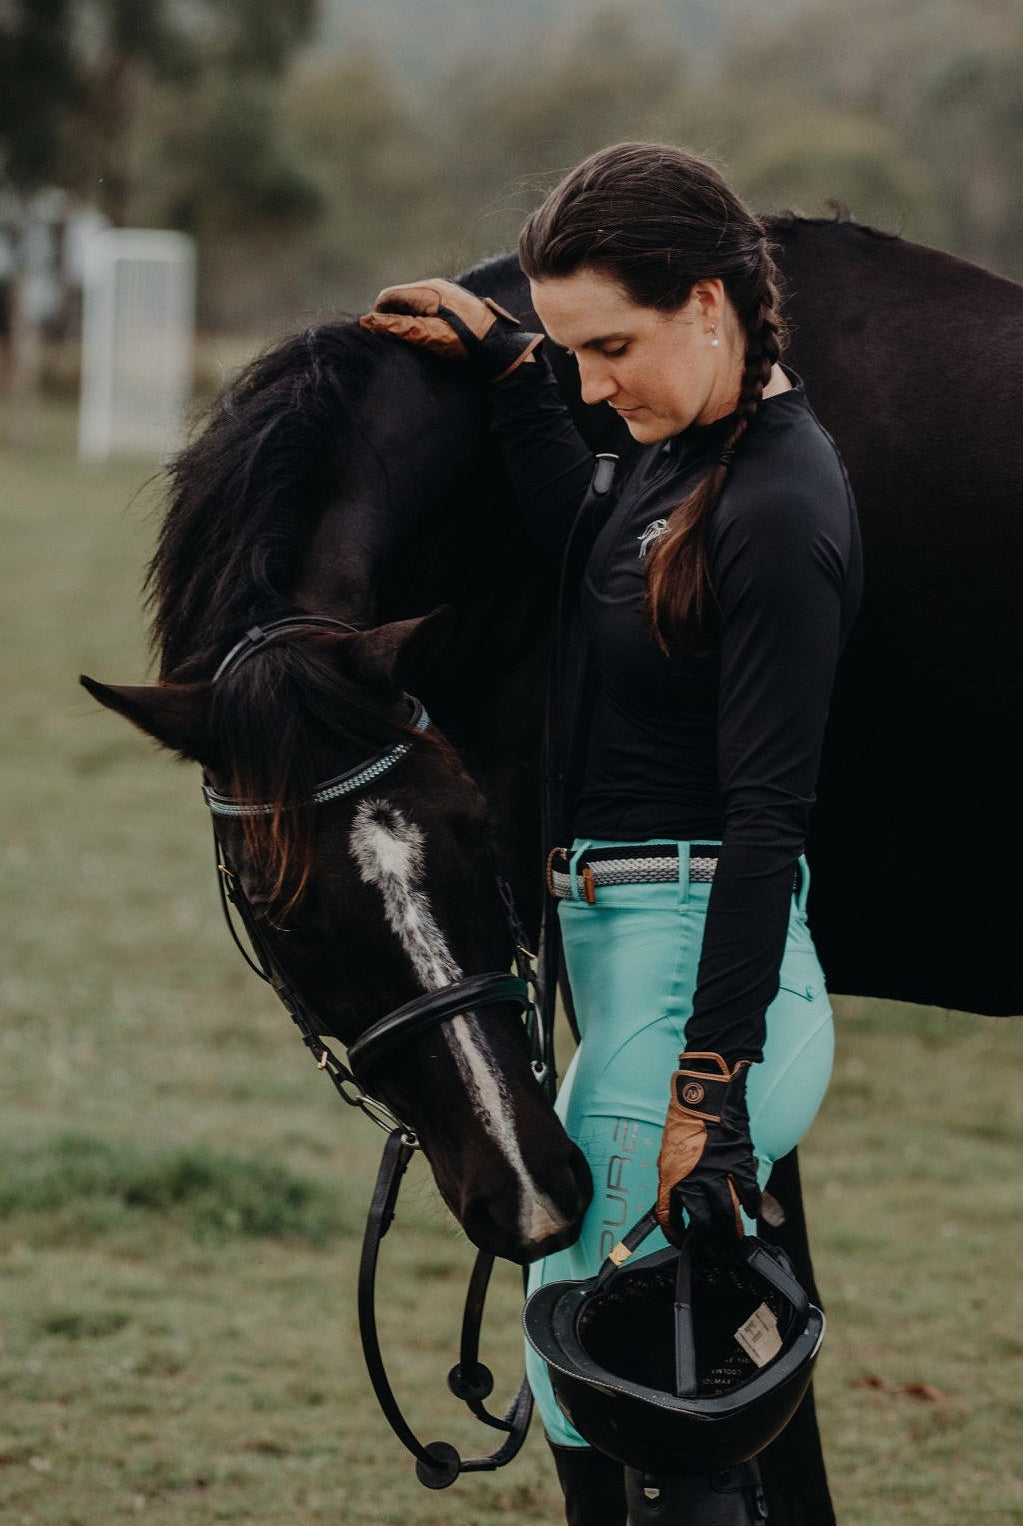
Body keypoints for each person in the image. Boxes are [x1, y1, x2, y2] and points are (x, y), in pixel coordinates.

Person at [360, 142, 862, 1526]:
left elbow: (770, 818)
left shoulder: (777, 504)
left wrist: (712, 1089)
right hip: (632, 957)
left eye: (608, 346)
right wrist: (515, 367)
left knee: (618, 1373)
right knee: (596, 1359)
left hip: (700, 973)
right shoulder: (676, 457)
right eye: (573, 353)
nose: (595, 384)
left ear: (711, 303)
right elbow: (591, 550)